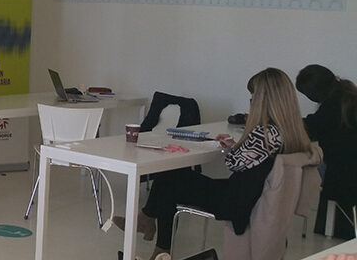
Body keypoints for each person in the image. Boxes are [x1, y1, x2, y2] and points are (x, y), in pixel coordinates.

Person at [113, 68, 312, 259]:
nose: (251, 103)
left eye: (253, 98)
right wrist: (238, 146)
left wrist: (232, 148)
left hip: (236, 201)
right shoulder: (290, 133)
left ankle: (155, 237)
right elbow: (252, 161)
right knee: (171, 177)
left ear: (262, 101)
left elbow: (233, 163)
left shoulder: (264, 134)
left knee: (168, 180)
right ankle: (149, 224)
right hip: (254, 196)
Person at [296, 64, 357, 238]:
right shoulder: (347, 96)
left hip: (342, 170)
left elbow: (311, 127)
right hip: (349, 165)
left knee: (297, 167)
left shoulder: (333, 105)